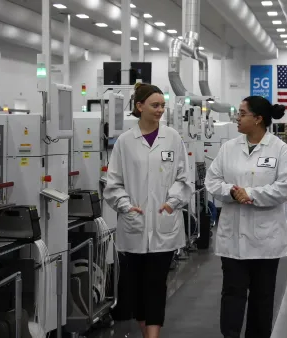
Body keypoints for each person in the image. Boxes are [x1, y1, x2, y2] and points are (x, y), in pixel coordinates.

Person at [103, 83, 193, 338]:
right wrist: (125, 206)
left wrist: (173, 201)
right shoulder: (125, 142)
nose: (160, 110)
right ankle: (146, 333)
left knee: (156, 285)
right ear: (139, 106)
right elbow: (113, 183)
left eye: (163, 105)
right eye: (155, 105)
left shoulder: (172, 138)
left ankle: (153, 335)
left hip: (164, 223)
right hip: (135, 223)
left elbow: (183, 178)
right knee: (136, 289)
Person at [205, 96, 287, 338]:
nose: (237, 117)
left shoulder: (280, 150)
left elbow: (286, 187)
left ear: (258, 119)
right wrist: (232, 193)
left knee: (262, 297)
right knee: (232, 294)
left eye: (242, 113)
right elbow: (212, 180)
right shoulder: (228, 148)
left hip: (266, 239)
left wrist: (252, 194)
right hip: (233, 236)